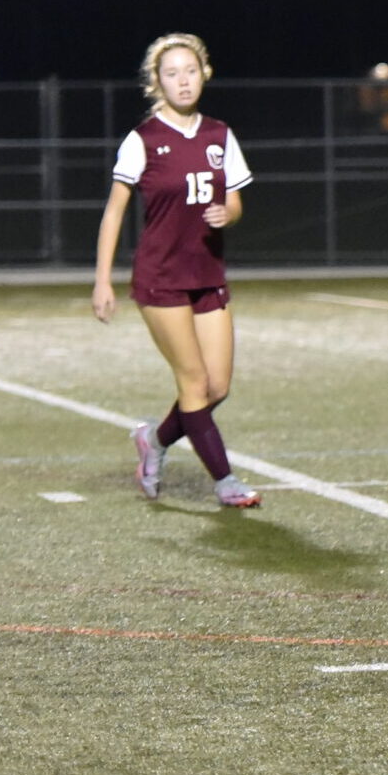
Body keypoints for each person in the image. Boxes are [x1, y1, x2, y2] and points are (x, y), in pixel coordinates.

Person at [91, 33, 260, 508]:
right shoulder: (142, 140)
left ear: (204, 73)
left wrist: (230, 213)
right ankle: (226, 482)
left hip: (207, 274)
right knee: (192, 383)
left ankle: (155, 440)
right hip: (160, 279)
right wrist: (102, 279)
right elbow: (114, 212)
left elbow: (236, 200)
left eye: (190, 71)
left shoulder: (219, 134)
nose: (182, 81)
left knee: (216, 387)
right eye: (171, 73)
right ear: (156, 82)